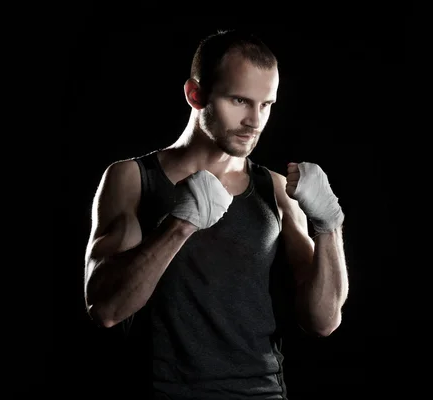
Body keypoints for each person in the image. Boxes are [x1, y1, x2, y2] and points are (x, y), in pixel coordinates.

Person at [83, 29, 349, 400]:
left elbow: (323, 322)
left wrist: (329, 225)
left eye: (266, 104)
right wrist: (180, 225)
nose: (254, 121)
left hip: (262, 394)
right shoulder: (132, 178)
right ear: (196, 94)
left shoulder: (275, 189)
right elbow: (105, 309)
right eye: (239, 100)